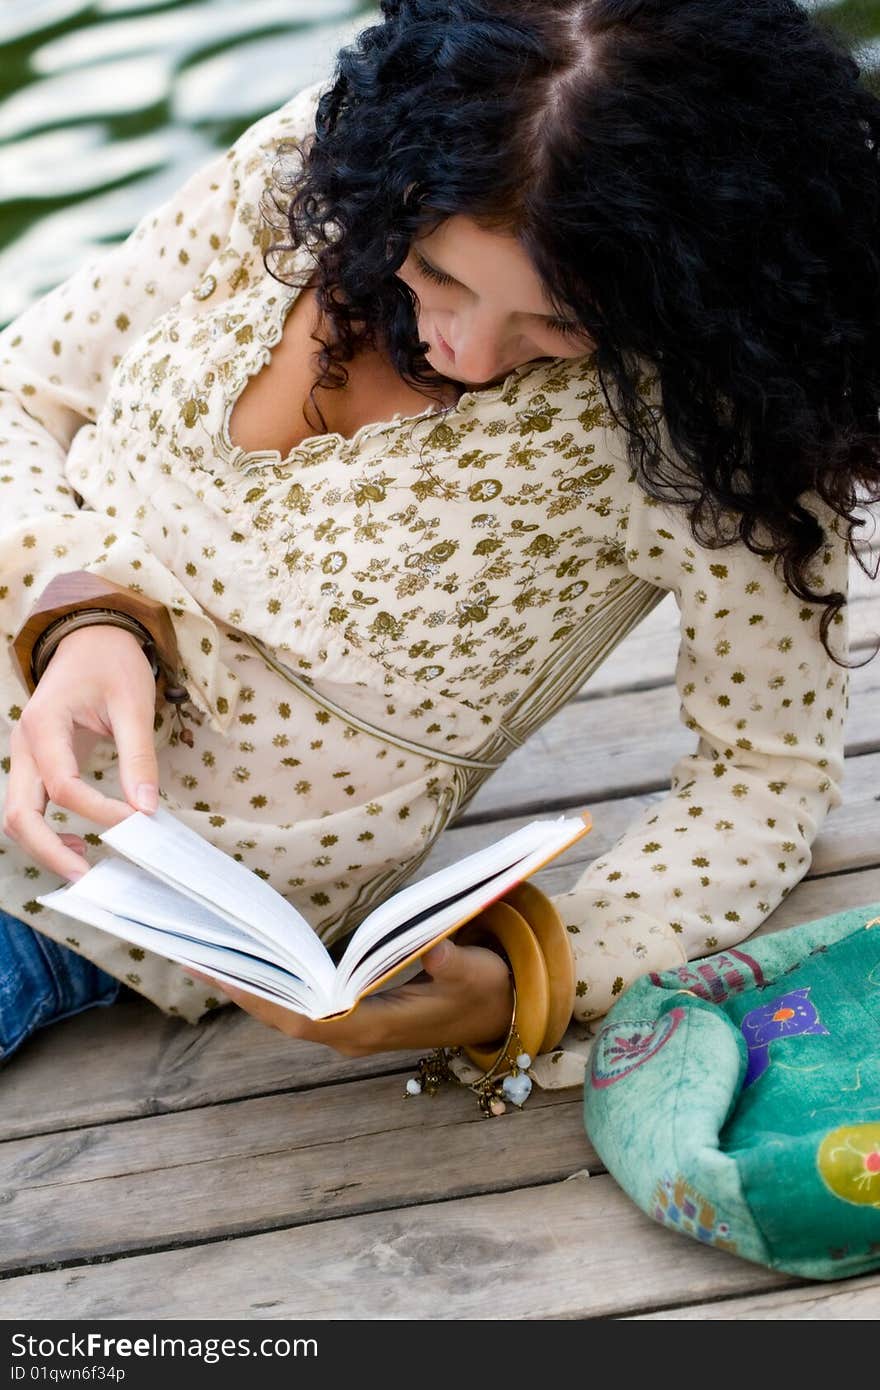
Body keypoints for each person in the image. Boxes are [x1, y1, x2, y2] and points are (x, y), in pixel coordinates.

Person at [0, 0, 877, 1091]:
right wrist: (81, 610)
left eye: (558, 325)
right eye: (440, 273)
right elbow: (23, 392)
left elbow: (764, 779)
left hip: (86, 893)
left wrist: (540, 974)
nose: (462, 348)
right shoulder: (315, 172)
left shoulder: (712, 427)